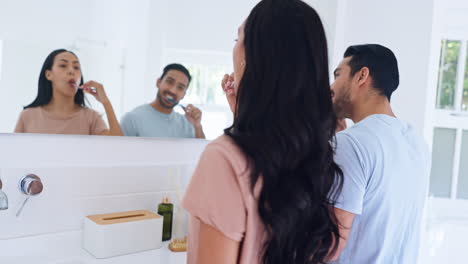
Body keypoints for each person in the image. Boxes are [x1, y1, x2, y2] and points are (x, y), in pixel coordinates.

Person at [182, 0, 343, 263]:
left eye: (238, 38)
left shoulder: (222, 159)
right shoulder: (314, 153)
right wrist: (242, 113)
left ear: (252, 56)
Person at [329, 44, 431, 263]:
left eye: (338, 75)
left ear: (361, 76)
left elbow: (332, 241)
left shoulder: (351, 144)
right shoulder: (415, 142)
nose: (331, 86)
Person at [14, 49, 123, 136]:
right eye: (63, 65)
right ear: (48, 75)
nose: (71, 71)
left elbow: (117, 148)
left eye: (76, 67)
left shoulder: (91, 118)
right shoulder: (27, 116)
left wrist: (106, 102)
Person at [120, 64, 205, 139]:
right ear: (158, 82)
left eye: (180, 87)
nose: (173, 91)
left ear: (183, 94)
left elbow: (203, 153)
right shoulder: (132, 119)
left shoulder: (188, 125)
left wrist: (197, 126)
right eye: (169, 82)